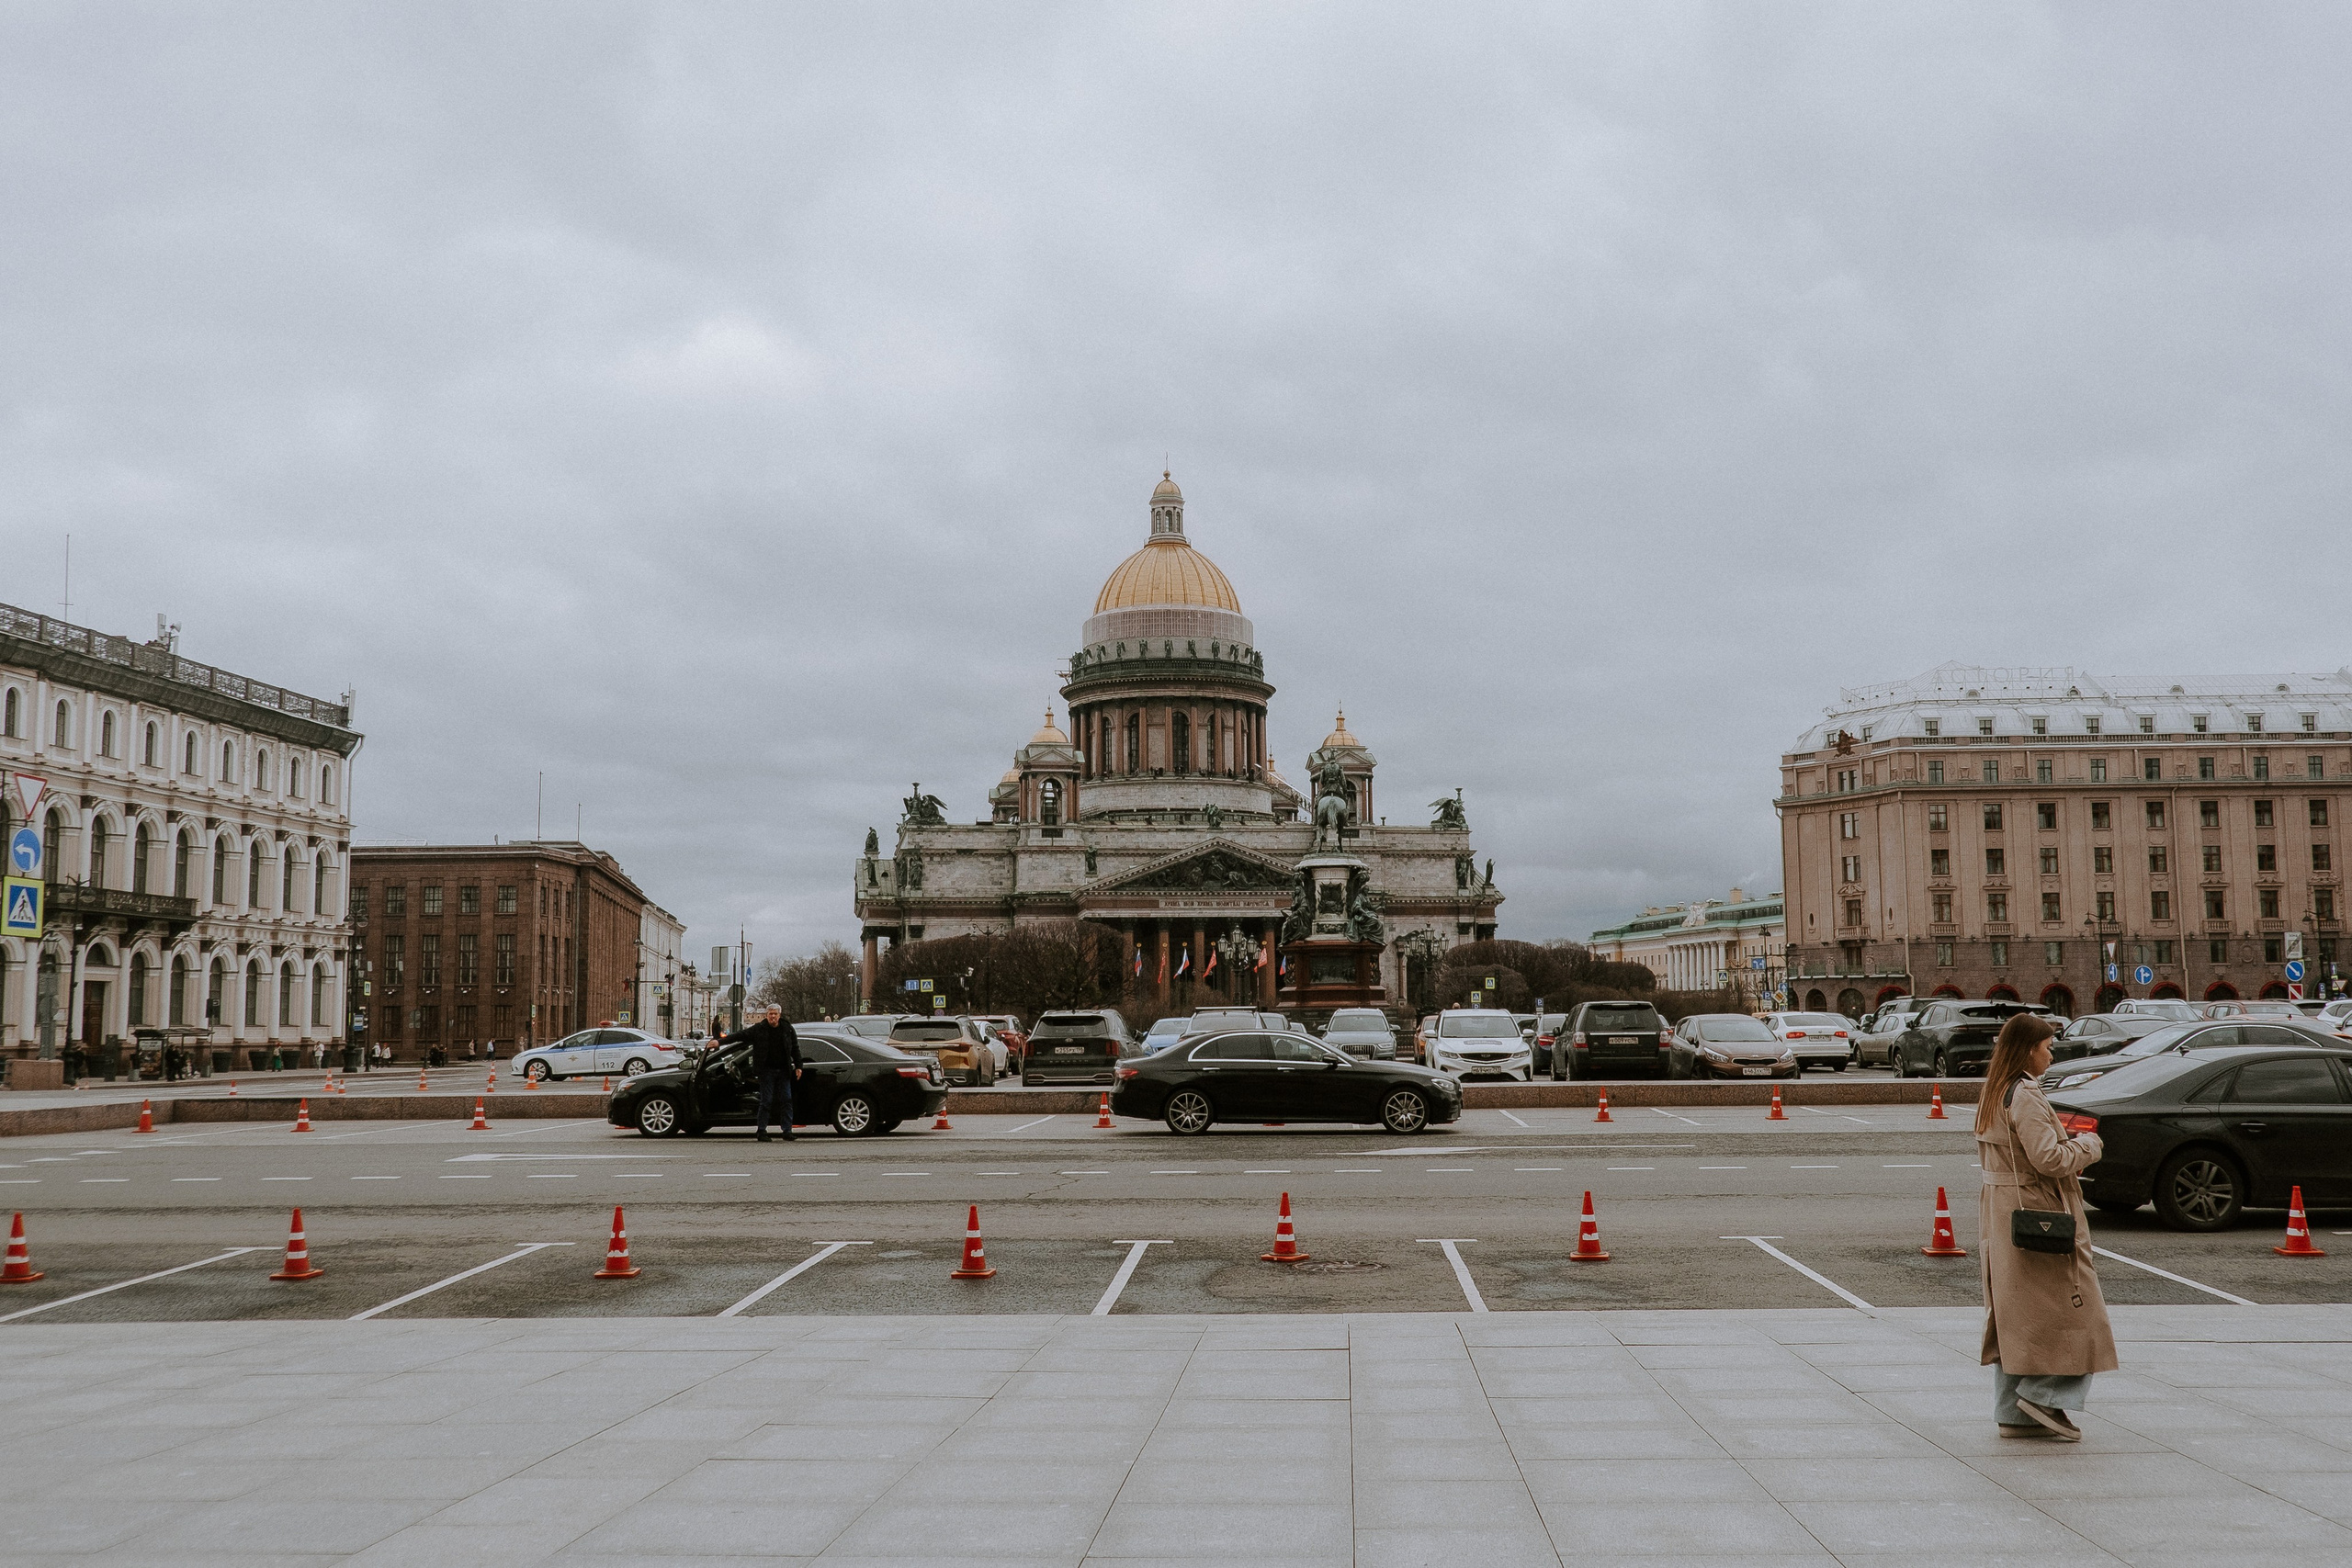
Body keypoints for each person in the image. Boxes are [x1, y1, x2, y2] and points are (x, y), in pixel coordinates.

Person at [1978, 1011, 2116, 1441]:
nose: (2051, 1055)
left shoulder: (1995, 1088)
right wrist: (2088, 1144)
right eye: (2047, 1047)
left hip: (2003, 1211)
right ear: (2028, 1050)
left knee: (2016, 1316)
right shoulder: (2024, 1093)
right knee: (2080, 1313)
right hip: (2039, 1211)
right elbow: (2049, 1159)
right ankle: (2042, 1396)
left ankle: (2014, 1415)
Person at [709, 1005, 800, 1141]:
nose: (773, 1017)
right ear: (766, 1015)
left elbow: (795, 1048)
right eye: (770, 1014)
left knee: (786, 1100)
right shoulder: (759, 1029)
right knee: (766, 1101)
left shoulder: (787, 1029)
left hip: (783, 1071)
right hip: (766, 1071)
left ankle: (787, 1131)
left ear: (779, 1015)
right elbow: (739, 1036)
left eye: (775, 1014)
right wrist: (719, 1042)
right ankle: (762, 1131)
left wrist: (799, 1066)